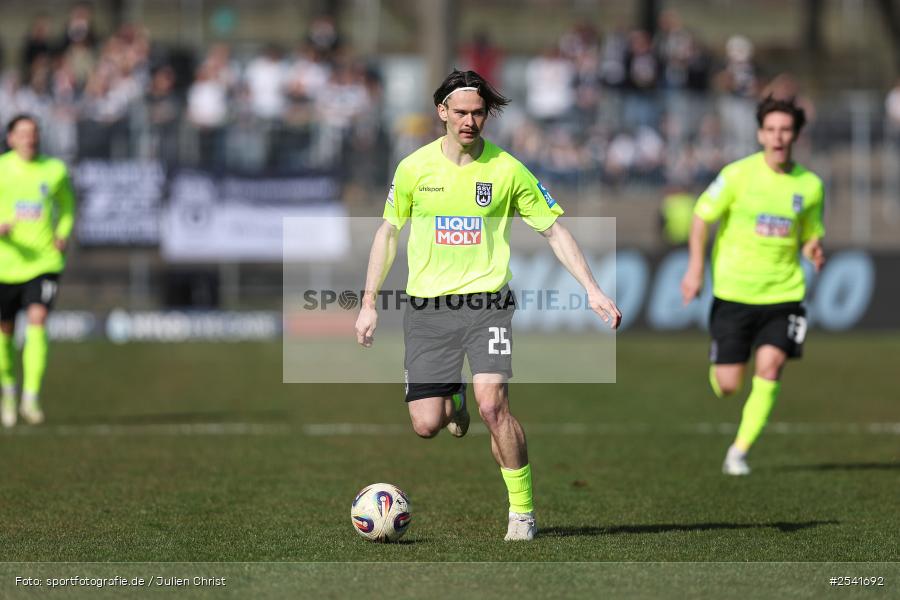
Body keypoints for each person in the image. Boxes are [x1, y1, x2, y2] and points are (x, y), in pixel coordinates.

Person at [354, 70, 621, 540]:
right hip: (427, 309)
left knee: (494, 406)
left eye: (478, 113)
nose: (470, 121)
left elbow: (553, 230)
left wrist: (592, 288)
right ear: (442, 111)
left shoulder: (507, 169)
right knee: (426, 424)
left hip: (487, 304)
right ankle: (453, 397)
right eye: (461, 112)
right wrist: (369, 302)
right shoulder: (413, 168)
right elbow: (388, 233)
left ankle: (522, 513)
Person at [680, 95, 825, 475]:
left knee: (771, 367)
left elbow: (811, 232)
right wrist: (695, 269)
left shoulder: (810, 186)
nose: (778, 137)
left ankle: (739, 451)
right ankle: (721, 366)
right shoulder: (736, 175)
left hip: (785, 293)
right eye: (771, 129)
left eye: (785, 130)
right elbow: (701, 216)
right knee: (728, 384)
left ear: (795, 135)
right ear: (760, 134)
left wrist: (813, 248)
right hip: (734, 293)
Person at [0, 115, 76, 427]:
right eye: (22, 133)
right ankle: (8, 391)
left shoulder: (54, 170)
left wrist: (63, 233)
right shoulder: (2, 169)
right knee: (4, 333)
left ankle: (30, 396)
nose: (29, 138)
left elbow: (67, 204)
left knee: (38, 318)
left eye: (33, 133)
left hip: (44, 262)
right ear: (10, 139)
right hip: (5, 265)